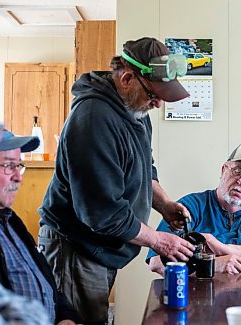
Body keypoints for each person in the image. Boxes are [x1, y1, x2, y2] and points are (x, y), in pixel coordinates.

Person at [37, 37, 196, 324]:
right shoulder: (93, 117)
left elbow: (145, 167)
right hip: (76, 249)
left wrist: (164, 204)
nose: (158, 104)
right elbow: (102, 213)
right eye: (154, 94)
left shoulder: (137, 111)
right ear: (127, 78)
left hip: (103, 249)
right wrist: (159, 241)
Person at [146, 143, 241, 274]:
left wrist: (221, 248)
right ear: (224, 169)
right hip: (202, 299)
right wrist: (211, 265)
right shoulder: (192, 205)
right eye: (237, 171)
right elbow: (156, 262)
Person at [0, 129, 80, 324]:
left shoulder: (11, 221)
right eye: (8, 166)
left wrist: (65, 316)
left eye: (18, 166)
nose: (18, 177)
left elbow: (46, 282)